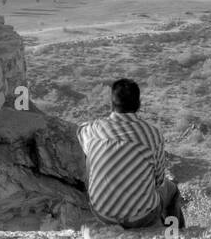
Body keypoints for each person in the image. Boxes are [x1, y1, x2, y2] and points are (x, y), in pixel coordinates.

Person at [78, 78, 185, 230]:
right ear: (138, 103)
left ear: (112, 103)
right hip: (140, 217)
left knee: (89, 152)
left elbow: (80, 131)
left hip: (102, 212)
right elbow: (159, 180)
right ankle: (173, 235)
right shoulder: (152, 135)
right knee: (172, 191)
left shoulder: (94, 129)